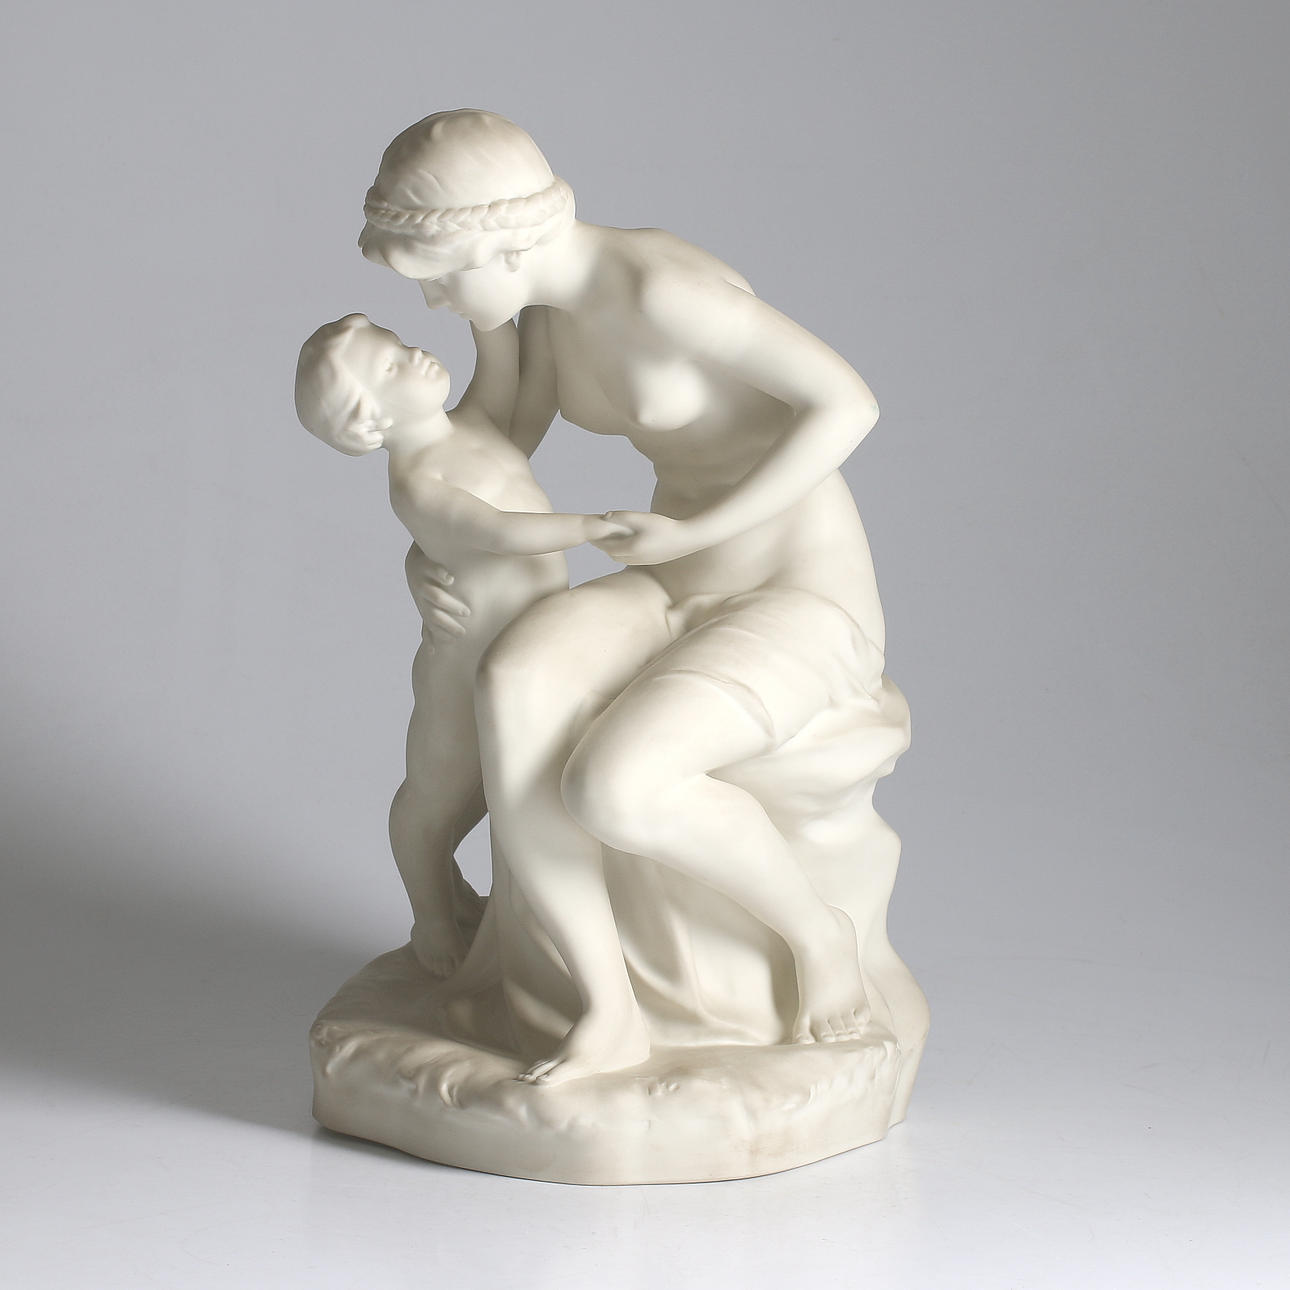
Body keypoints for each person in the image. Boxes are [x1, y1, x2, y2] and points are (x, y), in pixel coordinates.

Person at [359, 110, 893, 1085]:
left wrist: (696, 529)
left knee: (615, 786)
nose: (432, 299)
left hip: (794, 592)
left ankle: (819, 936)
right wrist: (428, 559)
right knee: (514, 681)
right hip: (674, 579)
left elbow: (847, 402)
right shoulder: (536, 316)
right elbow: (482, 456)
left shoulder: (663, 289)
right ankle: (606, 1012)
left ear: (505, 242)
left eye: (440, 275)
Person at [294, 312, 617, 975]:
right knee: (434, 799)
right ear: (369, 422)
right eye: (391, 366)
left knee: (497, 790)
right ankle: (432, 914)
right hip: (464, 665)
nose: (414, 353)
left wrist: (481, 306)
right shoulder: (418, 483)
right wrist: (595, 527)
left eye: (397, 342)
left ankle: (469, 898)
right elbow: (498, 530)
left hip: (528, 649)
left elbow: (500, 365)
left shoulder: (472, 426)